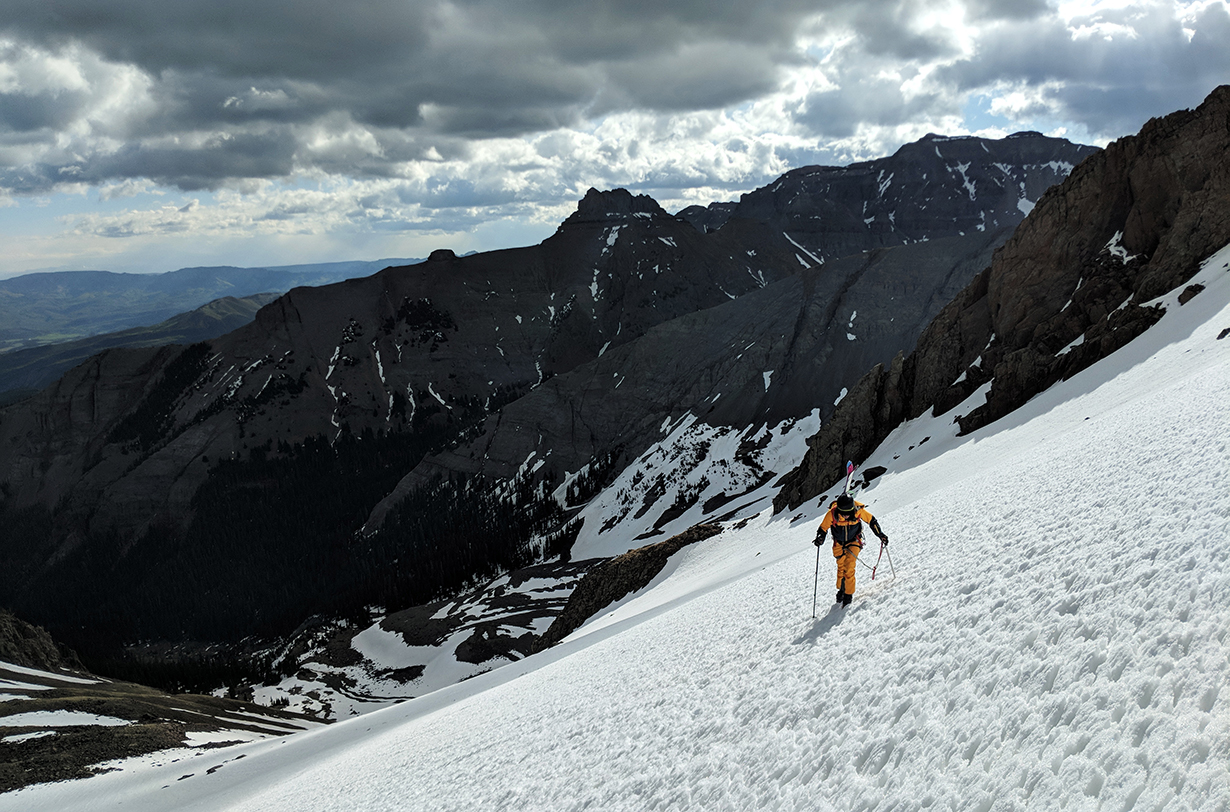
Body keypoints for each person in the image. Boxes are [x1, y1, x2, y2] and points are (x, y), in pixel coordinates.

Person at [813, 493, 888, 606]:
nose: (846, 516)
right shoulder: (832, 514)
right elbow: (823, 528)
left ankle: (848, 595)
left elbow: (872, 521)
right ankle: (841, 589)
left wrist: (880, 535)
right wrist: (820, 538)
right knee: (841, 567)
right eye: (843, 513)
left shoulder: (858, 511)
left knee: (849, 566)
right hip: (839, 543)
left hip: (854, 541)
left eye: (848, 513)